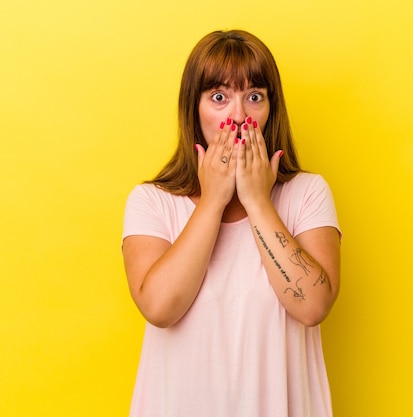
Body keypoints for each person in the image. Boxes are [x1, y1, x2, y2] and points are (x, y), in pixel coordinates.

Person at [122, 29, 341, 417]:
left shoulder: (307, 193)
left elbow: (314, 306)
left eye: (254, 97)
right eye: (219, 97)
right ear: (195, 108)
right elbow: (159, 308)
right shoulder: (151, 202)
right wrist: (213, 200)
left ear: (272, 108)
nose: (239, 116)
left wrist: (257, 200)